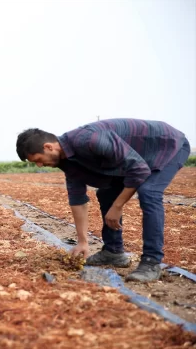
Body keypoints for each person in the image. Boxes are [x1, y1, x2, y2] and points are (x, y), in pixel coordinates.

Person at [15, 119, 190, 282]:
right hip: (136, 158)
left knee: (149, 192)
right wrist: (82, 241)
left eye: (38, 160)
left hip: (167, 146)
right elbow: (77, 200)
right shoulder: (67, 162)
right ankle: (113, 252)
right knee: (106, 192)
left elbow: (138, 169)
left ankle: (152, 262)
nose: (39, 165)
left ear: (49, 147)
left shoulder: (88, 140)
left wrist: (117, 205)